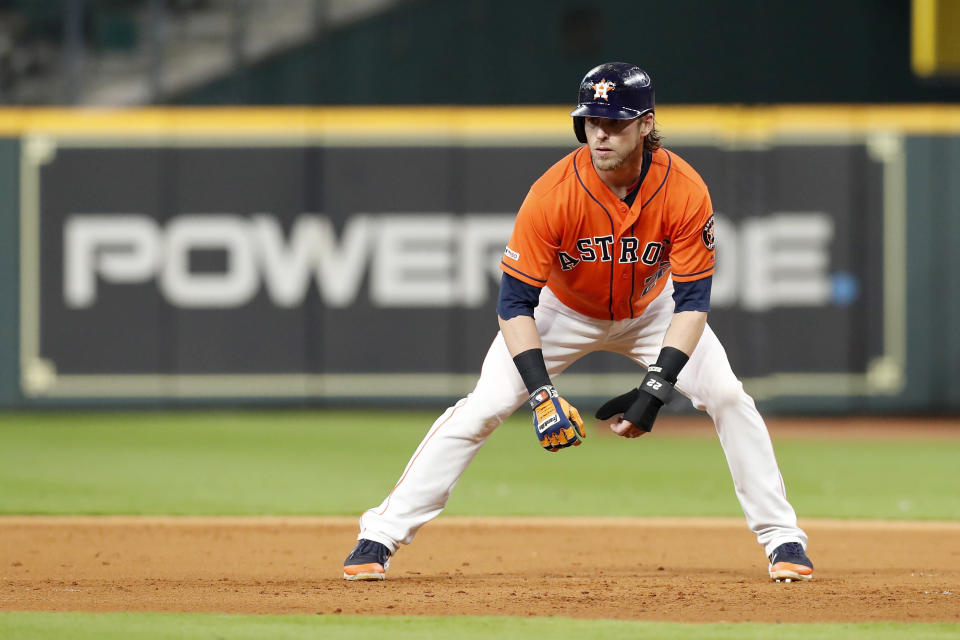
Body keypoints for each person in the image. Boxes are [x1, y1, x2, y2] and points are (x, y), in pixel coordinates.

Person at [343, 62, 813, 583]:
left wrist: (655, 390)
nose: (601, 133)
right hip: (559, 313)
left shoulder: (684, 189)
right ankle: (379, 536)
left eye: (615, 121)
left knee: (727, 395)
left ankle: (782, 537)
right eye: (592, 121)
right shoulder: (552, 194)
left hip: (652, 312)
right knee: (483, 407)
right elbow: (514, 304)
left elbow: (693, 304)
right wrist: (543, 395)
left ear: (646, 125)